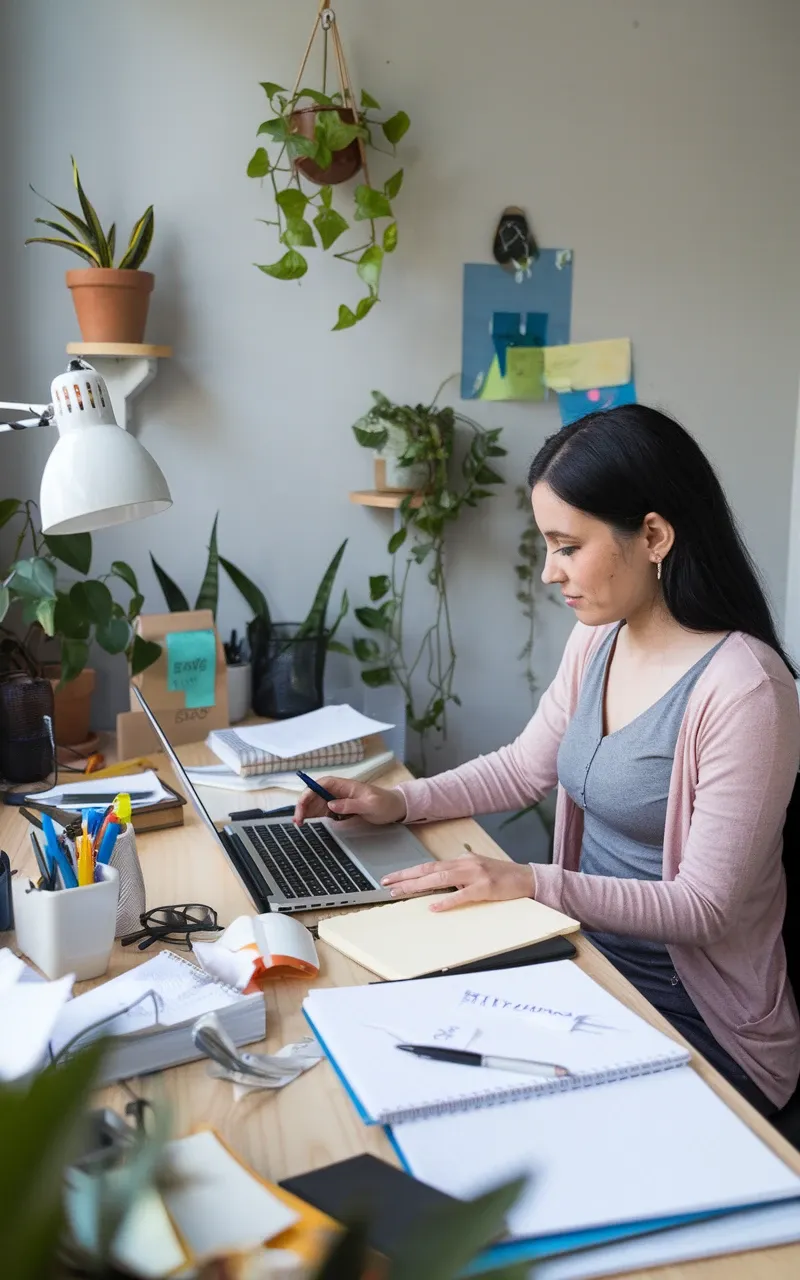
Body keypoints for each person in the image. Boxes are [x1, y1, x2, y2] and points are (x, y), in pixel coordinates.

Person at [295, 405, 800, 1115]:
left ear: (653, 535)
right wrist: (398, 801)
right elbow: (525, 766)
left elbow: (706, 908)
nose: (548, 574)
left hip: (697, 1017)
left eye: (567, 546)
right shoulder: (600, 639)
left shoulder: (745, 689)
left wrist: (532, 881)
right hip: (588, 963)